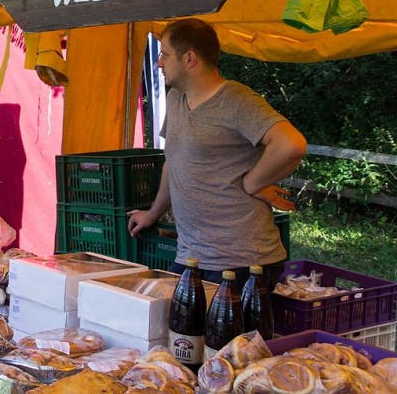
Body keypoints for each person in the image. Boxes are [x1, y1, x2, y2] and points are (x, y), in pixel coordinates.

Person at [127, 18, 306, 291]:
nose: (159, 63)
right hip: (191, 256)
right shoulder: (175, 98)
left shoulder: (236, 100)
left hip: (242, 263)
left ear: (189, 58)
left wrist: (252, 182)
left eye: (165, 54)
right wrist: (153, 214)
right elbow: (173, 163)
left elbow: (291, 144)